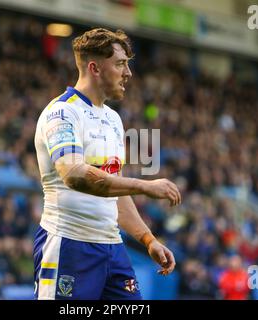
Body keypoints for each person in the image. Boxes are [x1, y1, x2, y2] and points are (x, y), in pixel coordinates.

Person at [33, 27, 182, 300]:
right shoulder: (62, 112)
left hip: (112, 249)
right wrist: (144, 186)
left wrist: (148, 239)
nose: (128, 73)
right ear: (95, 68)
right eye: (120, 64)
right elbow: (74, 174)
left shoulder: (113, 119)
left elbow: (115, 193)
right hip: (69, 245)